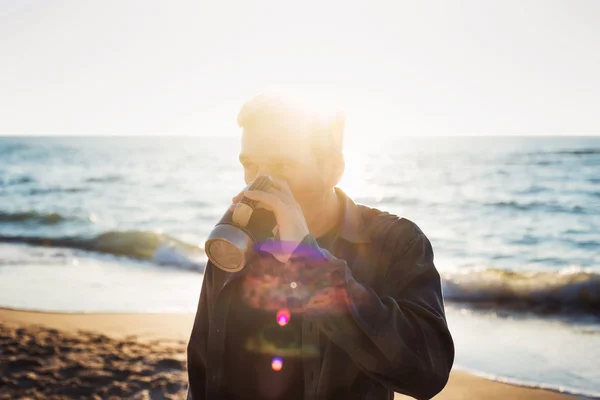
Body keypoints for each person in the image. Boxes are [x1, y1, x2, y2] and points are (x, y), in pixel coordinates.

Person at [187, 91, 454, 400]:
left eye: (281, 166)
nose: (259, 184)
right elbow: (203, 371)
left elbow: (427, 373)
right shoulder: (238, 240)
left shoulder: (395, 242)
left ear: (333, 169)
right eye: (250, 165)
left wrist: (308, 262)